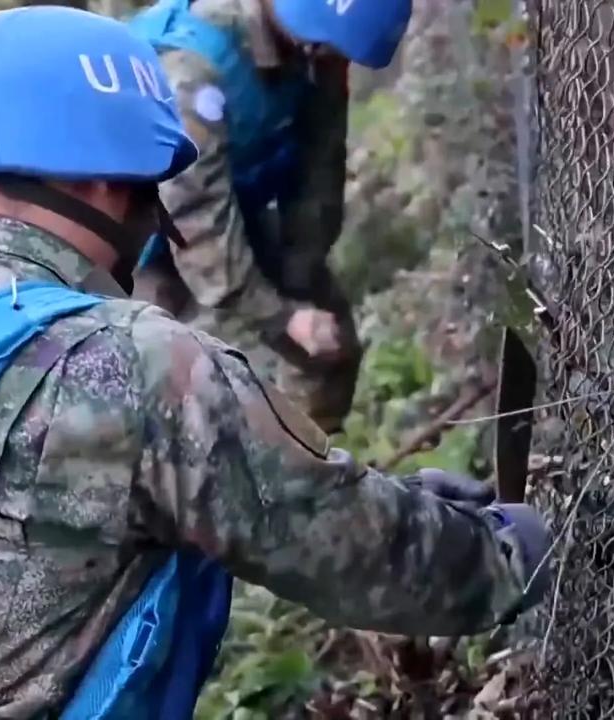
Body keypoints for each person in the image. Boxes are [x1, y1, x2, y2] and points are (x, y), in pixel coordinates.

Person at [0, 7, 551, 720]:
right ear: (111, 177)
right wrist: (518, 548)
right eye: (150, 179)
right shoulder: (133, 362)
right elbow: (377, 561)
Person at [128, 0, 407, 434]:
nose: (334, 63)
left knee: (326, 343)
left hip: (232, 204)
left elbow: (319, 170)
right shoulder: (196, 68)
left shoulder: (316, 53)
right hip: (142, 229)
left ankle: (308, 473)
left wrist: (302, 283)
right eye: (325, 49)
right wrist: (279, 316)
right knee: (156, 375)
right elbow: (194, 217)